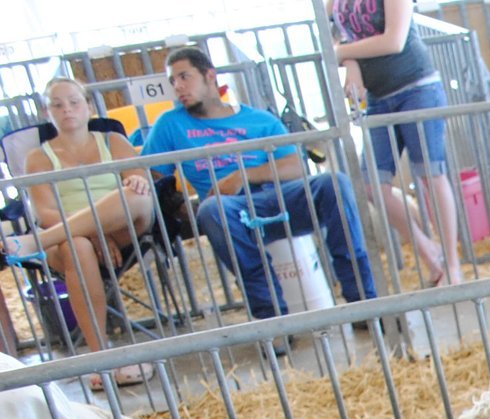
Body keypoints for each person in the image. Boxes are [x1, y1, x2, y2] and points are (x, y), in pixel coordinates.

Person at [142, 47, 378, 334]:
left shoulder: (259, 120)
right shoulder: (171, 123)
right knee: (211, 210)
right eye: (172, 81)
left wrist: (244, 175)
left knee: (334, 182)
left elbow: (296, 167)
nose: (177, 87)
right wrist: (172, 201)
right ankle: (273, 322)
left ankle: (363, 302)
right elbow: (151, 173)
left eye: (184, 77)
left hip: (277, 198)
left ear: (209, 75)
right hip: (230, 210)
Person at [0, 77, 156, 388]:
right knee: (78, 246)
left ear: (89, 107)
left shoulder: (114, 141)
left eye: (74, 101)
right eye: (57, 104)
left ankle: (35, 244)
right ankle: (101, 359)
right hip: (68, 237)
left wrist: (102, 229)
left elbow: (138, 183)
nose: (67, 109)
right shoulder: (39, 157)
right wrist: (94, 233)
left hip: (124, 228)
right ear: (47, 112)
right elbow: (44, 212)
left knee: (135, 195)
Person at [331, 0, 462, 287]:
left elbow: (395, 40)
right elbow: (337, 32)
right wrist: (350, 63)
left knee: (431, 173)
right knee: (372, 186)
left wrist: (341, 53)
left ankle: (452, 264)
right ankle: (429, 251)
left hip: (417, 86)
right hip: (378, 96)